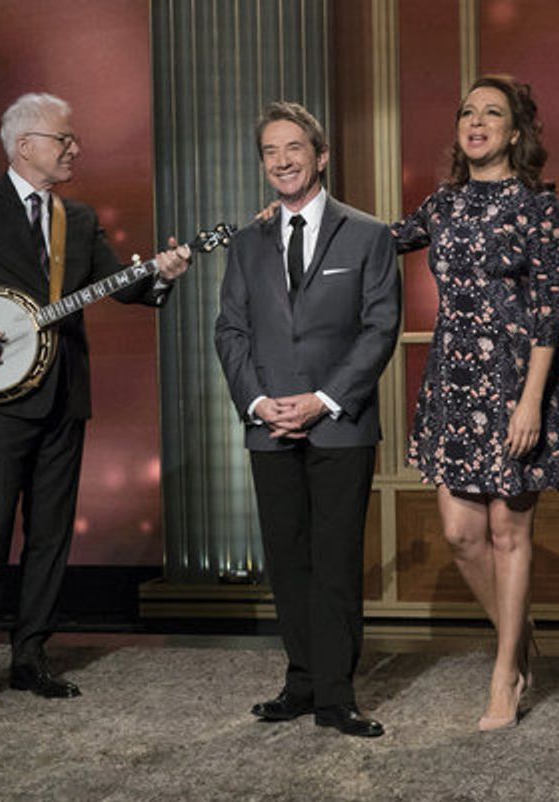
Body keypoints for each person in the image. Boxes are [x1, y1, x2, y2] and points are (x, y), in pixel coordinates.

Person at [0, 92, 191, 709]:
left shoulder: (78, 220)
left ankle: (31, 656)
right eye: (65, 140)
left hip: (64, 394)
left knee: (52, 533)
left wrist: (160, 272)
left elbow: (124, 287)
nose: (75, 148)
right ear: (26, 145)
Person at [391, 75, 559, 730]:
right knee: (461, 534)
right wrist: (306, 209)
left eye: (491, 113)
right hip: (453, 383)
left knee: (508, 531)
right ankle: (518, 637)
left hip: (515, 385)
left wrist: (532, 403)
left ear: (515, 132)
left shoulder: (539, 208)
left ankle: (505, 675)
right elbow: (377, 240)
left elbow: (548, 320)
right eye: (467, 110)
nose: (475, 121)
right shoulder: (442, 206)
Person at [215, 101, 401, 738]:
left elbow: (380, 330)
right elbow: (230, 330)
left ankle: (335, 693)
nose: (282, 160)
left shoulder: (369, 234)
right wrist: (259, 403)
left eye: (294, 148)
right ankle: (300, 682)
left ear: (321, 157)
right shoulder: (247, 242)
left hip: (340, 424)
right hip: (267, 424)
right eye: (270, 151)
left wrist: (323, 400)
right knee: (286, 560)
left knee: (335, 560)